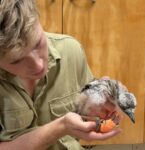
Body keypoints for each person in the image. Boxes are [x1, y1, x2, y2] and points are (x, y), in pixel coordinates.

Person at [0, 0, 122, 150]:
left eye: (38, 43)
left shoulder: (70, 51)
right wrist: (61, 127)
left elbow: (85, 115)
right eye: (17, 60)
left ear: (39, 20)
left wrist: (97, 108)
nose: (38, 65)